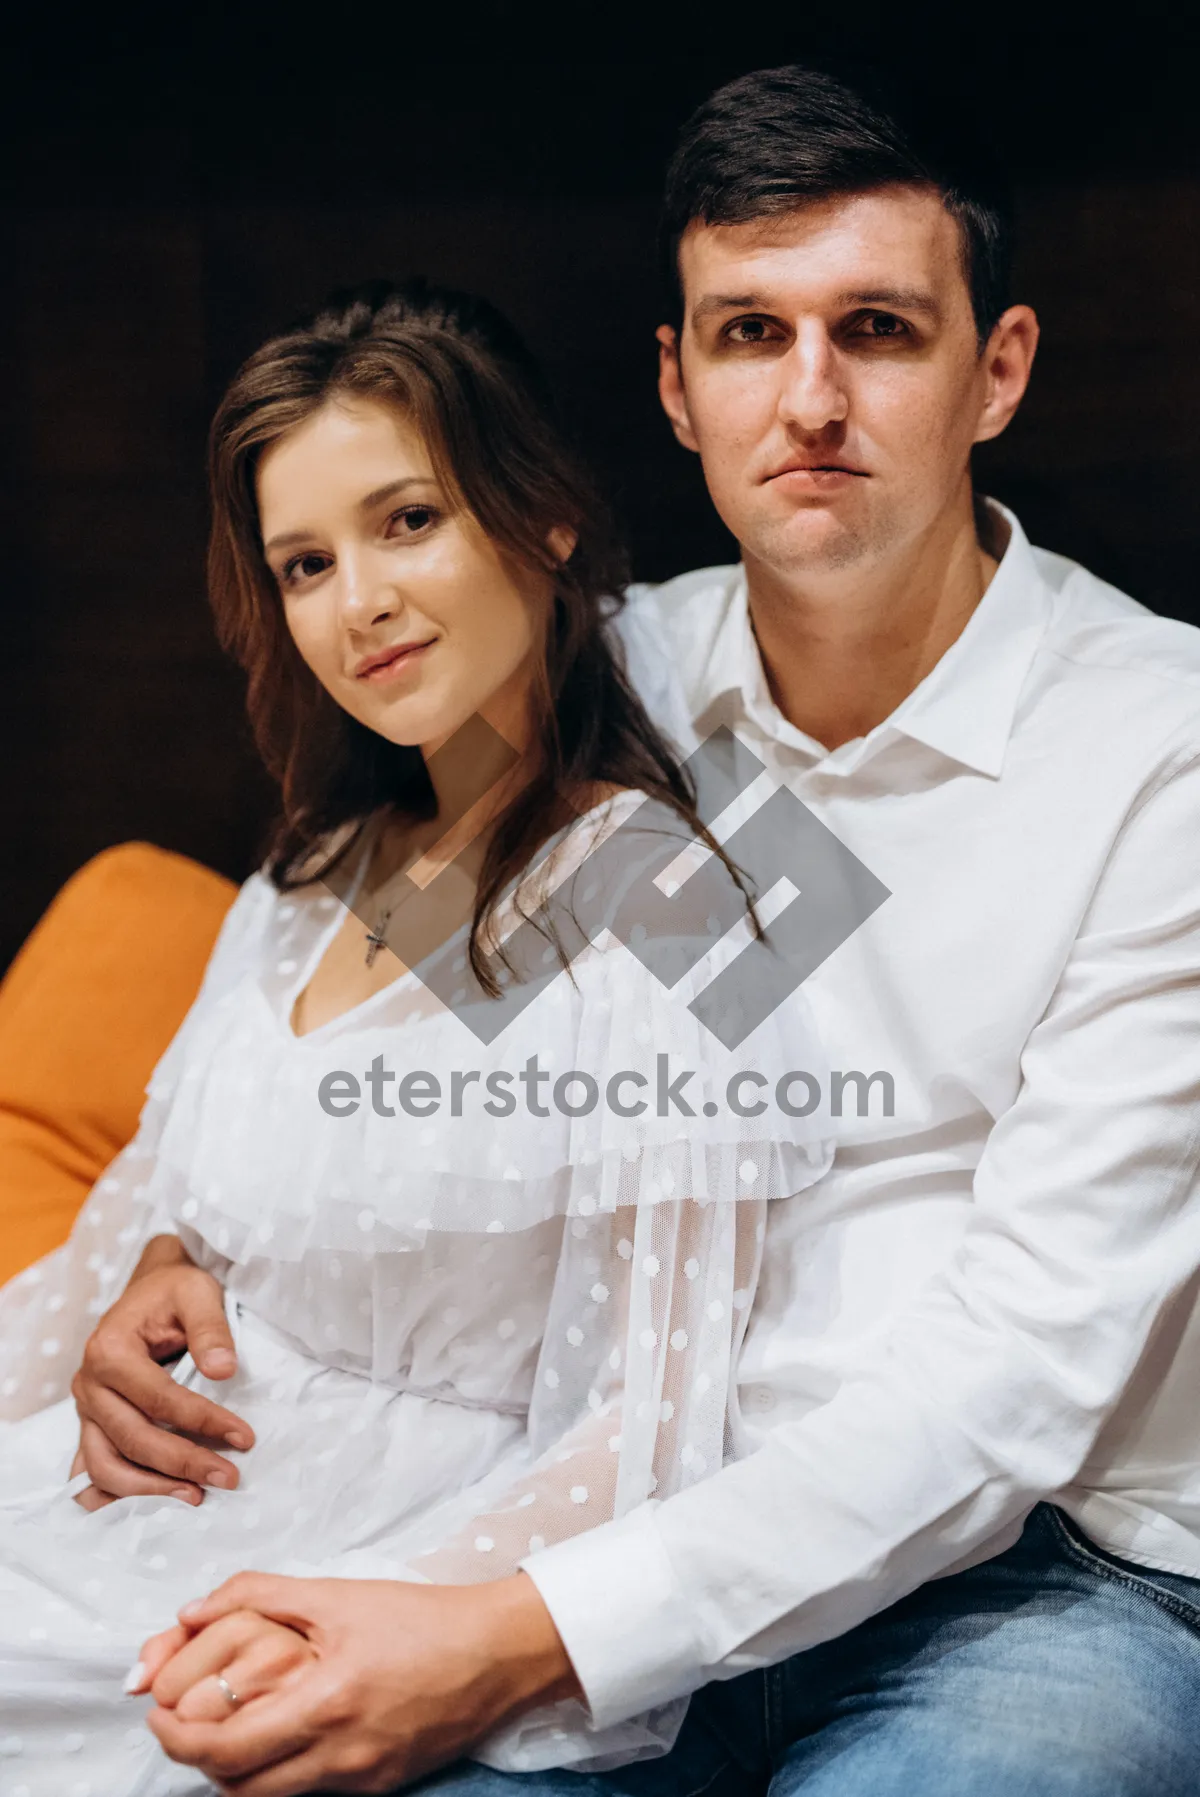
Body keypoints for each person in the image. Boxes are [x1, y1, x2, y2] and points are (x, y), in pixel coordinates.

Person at [9, 57, 1200, 1797]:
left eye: (876, 328)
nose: (811, 399)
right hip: (613, 1510)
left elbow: (1021, 1375)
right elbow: (336, 1030)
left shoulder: (1157, 751)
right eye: (748, 334)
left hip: (1042, 1570)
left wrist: (503, 1637)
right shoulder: (600, 677)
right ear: (675, 383)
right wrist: (181, 1259)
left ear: (993, 369)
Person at [0, 277, 833, 1791]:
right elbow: (161, 1204)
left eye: (406, 523)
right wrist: (152, 1279)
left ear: (545, 523)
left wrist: (379, 1627)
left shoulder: (657, 902)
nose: (359, 602)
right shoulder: (309, 878)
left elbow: (657, 1430)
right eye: (305, 562)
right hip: (126, 1510)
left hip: (378, 1570)